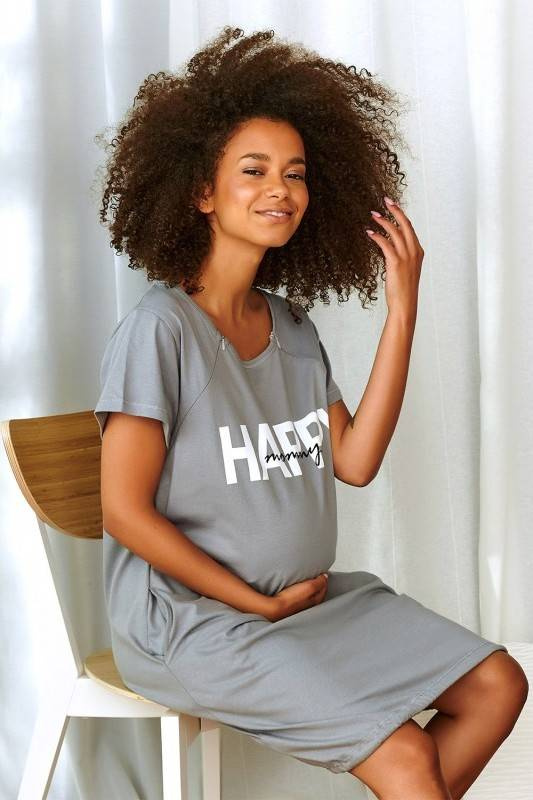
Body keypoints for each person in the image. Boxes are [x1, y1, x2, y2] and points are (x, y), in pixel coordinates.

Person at [93, 26, 528, 799]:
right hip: (192, 622)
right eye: (253, 170)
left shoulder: (290, 326)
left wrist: (402, 310)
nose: (281, 190)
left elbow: (353, 462)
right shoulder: (160, 331)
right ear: (200, 191)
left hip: (307, 602)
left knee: (497, 684)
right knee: (404, 756)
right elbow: (124, 512)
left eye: (294, 174)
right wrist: (255, 603)